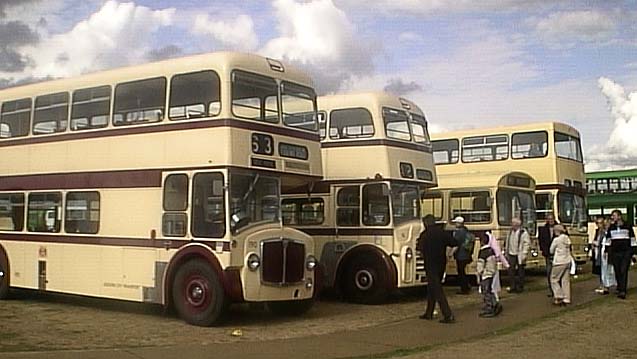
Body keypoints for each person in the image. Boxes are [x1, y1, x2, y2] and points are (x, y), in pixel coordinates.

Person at [418, 214, 457, 324]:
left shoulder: (424, 235)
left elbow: (420, 250)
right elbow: (454, 243)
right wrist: (449, 253)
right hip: (441, 264)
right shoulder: (442, 233)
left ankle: (448, 314)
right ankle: (429, 312)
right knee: (432, 288)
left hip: (430, 264)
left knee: (437, 290)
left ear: (425, 224)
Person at [606, 209, 636, 299]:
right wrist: (606, 251)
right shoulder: (611, 227)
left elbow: (633, 240)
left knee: (623, 270)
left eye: (614, 215)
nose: (612, 217)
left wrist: (634, 253)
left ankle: (623, 290)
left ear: (619, 216)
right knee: (617, 270)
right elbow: (608, 240)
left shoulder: (627, 226)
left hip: (625, 252)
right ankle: (619, 287)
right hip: (615, 252)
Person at [476, 235, 502, 317]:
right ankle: (495, 304)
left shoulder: (482, 252)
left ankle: (489, 308)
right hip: (492, 273)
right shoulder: (492, 250)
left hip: (485, 274)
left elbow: (480, 264)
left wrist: (478, 273)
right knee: (490, 290)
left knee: (486, 292)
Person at [504, 217, 530, 293]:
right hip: (511, 254)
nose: (512, 225)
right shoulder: (510, 232)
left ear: (517, 224)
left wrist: (524, 253)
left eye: (513, 223)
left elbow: (527, 243)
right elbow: (507, 242)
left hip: (519, 254)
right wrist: (506, 252)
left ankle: (520, 287)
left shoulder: (523, 232)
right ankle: (512, 286)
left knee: (520, 271)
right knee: (511, 271)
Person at [550, 224, 572, 306]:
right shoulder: (567, 238)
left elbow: (551, 250)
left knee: (554, 279)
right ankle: (567, 298)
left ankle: (559, 295)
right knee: (565, 280)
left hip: (559, 261)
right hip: (567, 260)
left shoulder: (556, 240)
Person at [451, 216, 474, 294]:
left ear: (459, 223)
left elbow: (456, 244)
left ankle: (464, 288)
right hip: (466, 254)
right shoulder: (466, 230)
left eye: (456, 223)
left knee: (461, 272)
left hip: (460, 255)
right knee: (463, 271)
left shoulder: (458, 233)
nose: (455, 224)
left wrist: (450, 253)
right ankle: (466, 286)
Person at [538, 214, 558, 297]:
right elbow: (541, 241)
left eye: (552, 219)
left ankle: (558, 291)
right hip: (547, 254)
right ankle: (552, 290)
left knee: (557, 273)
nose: (550, 220)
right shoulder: (543, 229)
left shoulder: (559, 228)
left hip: (558, 254)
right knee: (549, 272)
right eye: (549, 219)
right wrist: (544, 251)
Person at [599, 218, 616, 294]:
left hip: (610, 252)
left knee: (611, 269)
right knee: (604, 269)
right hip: (603, 252)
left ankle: (611, 285)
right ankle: (605, 285)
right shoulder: (602, 232)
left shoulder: (611, 232)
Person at [590, 217, 606, 293]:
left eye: (600, 223)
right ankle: (601, 284)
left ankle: (604, 285)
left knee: (603, 269)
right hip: (596, 252)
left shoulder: (605, 232)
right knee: (599, 270)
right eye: (597, 223)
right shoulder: (597, 231)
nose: (599, 225)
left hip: (602, 252)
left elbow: (602, 242)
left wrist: (596, 243)